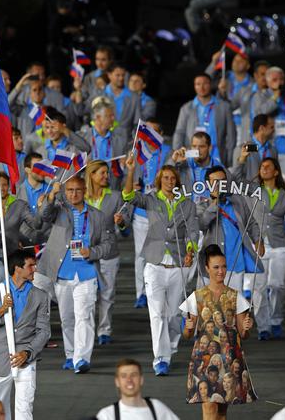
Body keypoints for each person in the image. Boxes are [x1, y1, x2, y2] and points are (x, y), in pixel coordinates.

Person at [122, 160, 199, 375]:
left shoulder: (188, 204)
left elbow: (193, 230)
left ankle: (170, 347)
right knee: (157, 313)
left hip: (178, 263)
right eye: (165, 178)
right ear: (159, 181)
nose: (169, 181)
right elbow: (128, 196)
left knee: (174, 313)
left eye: (172, 178)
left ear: (177, 181)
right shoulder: (150, 200)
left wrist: (191, 250)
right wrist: (130, 171)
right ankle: (161, 359)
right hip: (154, 264)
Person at [37, 176, 114, 373]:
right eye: (69, 190)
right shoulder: (59, 210)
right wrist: (52, 194)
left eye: (77, 190)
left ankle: (82, 359)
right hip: (62, 272)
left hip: (87, 272)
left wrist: (93, 252)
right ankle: (71, 355)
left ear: (84, 191)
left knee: (84, 316)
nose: (73, 194)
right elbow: (44, 214)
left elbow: (108, 245)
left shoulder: (98, 215)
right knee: (67, 318)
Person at [233, 157, 285, 339]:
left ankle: (276, 319)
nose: (264, 169)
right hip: (258, 244)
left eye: (268, 167)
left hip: (279, 245)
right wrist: (241, 160)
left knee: (277, 285)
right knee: (259, 288)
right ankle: (264, 327)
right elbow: (235, 180)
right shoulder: (253, 190)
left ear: (276, 172)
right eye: (261, 167)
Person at [181, 245, 255, 419]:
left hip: (229, 358)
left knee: (221, 411)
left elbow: (243, 335)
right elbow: (187, 335)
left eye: (223, 266)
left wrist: (246, 327)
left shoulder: (236, 297)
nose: (221, 271)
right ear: (207, 268)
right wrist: (189, 327)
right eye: (216, 267)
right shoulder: (196, 296)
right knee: (209, 408)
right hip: (204, 359)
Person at [0, 250, 50, 420]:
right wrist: (1, 311)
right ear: (17, 268)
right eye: (31, 265)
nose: (34, 269)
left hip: (26, 358)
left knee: (24, 408)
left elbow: (44, 331)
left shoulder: (40, 295)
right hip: (0, 358)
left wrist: (28, 352)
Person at [197, 166, 268, 338]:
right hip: (211, 268)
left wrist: (258, 240)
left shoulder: (238, 201)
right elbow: (201, 224)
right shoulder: (202, 204)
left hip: (236, 264)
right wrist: (215, 203)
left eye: (223, 181)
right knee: (211, 308)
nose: (220, 185)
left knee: (234, 306)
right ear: (207, 184)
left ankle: (231, 341)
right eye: (215, 182)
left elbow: (251, 223)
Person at [84, 160, 130, 345]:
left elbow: (126, 229)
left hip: (109, 252)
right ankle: (86, 331)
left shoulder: (116, 196)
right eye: (102, 173)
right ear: (91, 175)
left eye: (107, 173)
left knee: (107, 294)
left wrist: (120, 222)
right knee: (86, 295)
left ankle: (104, 330)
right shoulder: (80, 195)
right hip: (85, 253)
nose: (106, 176)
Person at [131, 120, 173, 308]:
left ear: (161, 134)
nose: (149, 136)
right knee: (141, 254)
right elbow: (129, 179)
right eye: (146, 131)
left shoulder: (168, 153)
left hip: (162, 211)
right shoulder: (135, 152)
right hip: (141, 211)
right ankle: (141, 293)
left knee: (163, 252)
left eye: (154, 132)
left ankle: (160, 290)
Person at [0, 173, 40, 284]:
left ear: (9, 186)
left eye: (4, 184)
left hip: (13, 255)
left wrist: (40, 209)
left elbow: (35, 224)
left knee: (15, 286)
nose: (1, 188)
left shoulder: (18, 204)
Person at [173, 73, 235, 167]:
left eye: (205, 83)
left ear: (211, 85)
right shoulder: (186, 108)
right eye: (198, 84)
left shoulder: (224, 106)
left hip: (216, 155)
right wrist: (177, 153)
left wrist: (230, 159)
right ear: (194, 86)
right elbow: (179, 132)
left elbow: (231, 135)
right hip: (193, 156)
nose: (201, 87)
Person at [95, 358, 180, 420]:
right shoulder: (107, 415)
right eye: (124, 376)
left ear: (141, 380)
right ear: (117, 382)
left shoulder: (157, 408)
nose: (129, 380)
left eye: (133, 375)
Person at [87, 63, 142, 139]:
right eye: (118, 75)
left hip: (125, 141)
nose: (121, 78)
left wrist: (134, 141)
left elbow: (137, 123)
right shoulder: (98, 94)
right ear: (109, 75)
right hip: (101, 139)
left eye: (123, 75)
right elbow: (88, 114)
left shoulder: (134, 97)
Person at [170, 131, 222, 203]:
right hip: (185, 211)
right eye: (194, 146)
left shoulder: (218, 168)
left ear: (209, 148)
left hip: (207, 211)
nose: (197, 150)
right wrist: (174, 161)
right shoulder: (182, 164)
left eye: (201, 146)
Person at [232, 114, 277, 181]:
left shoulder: (273, 150)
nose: (274, 130)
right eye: (271, 127)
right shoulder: (242, 149)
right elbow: (236, 177)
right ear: (262, 128)